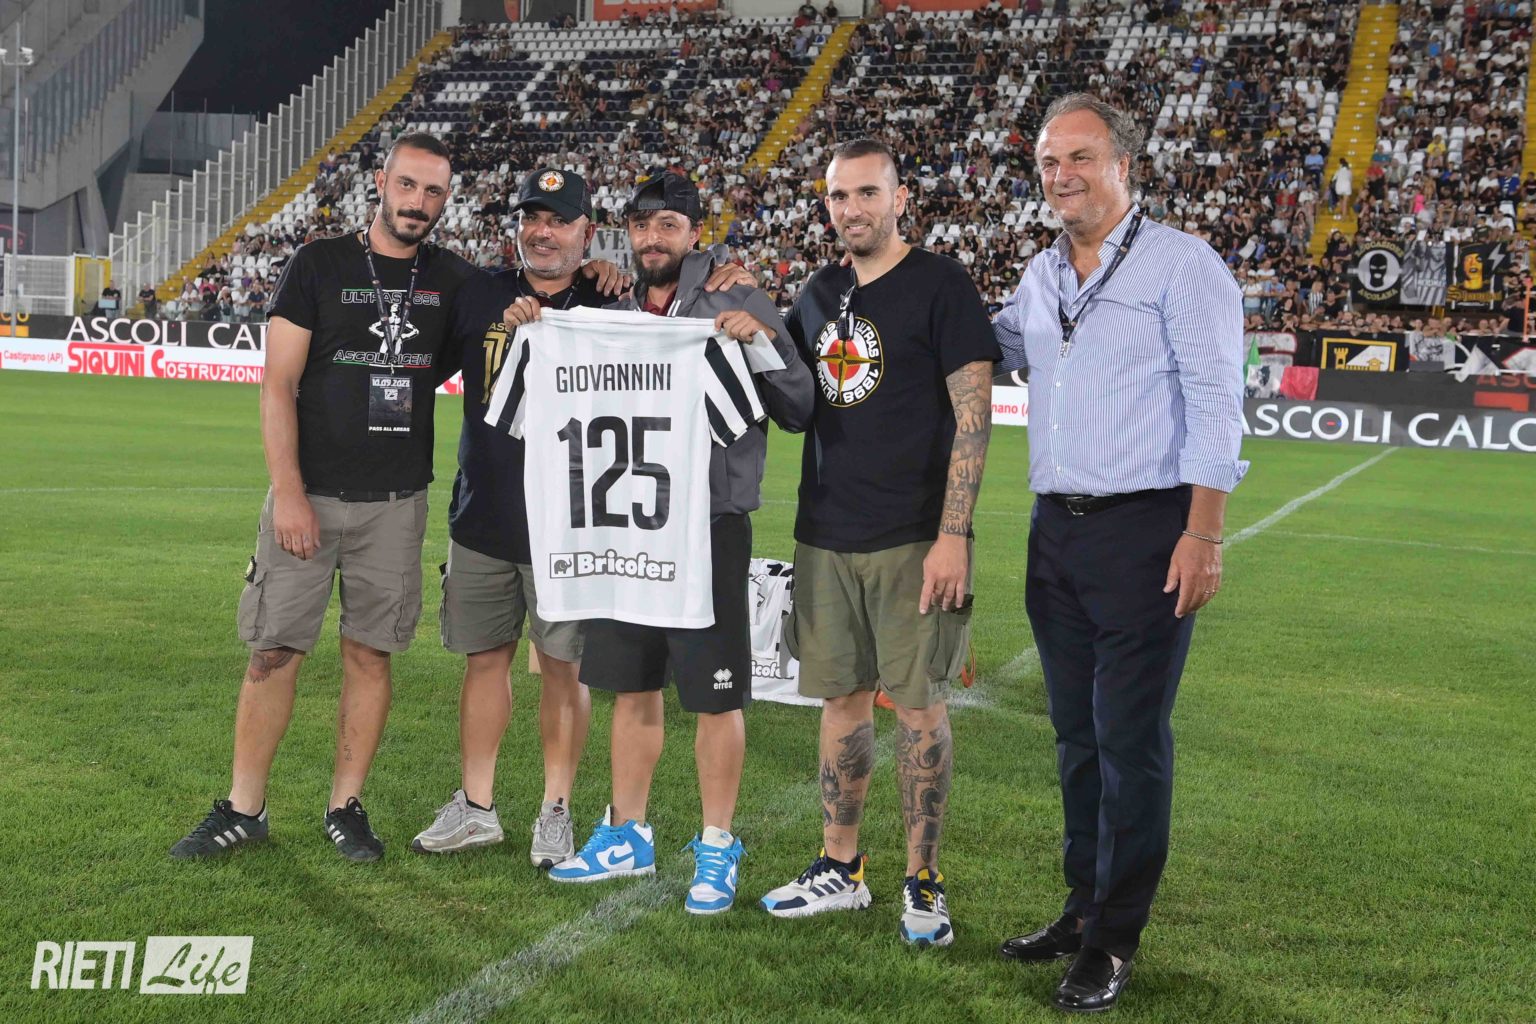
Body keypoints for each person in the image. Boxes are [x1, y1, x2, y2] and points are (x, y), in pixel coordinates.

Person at [413, 167, 755, 865]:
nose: (542, 232)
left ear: (586, 233)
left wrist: (729, 278)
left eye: (559, 220)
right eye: (532, 218)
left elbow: (695, 351)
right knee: (483, 662)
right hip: (482, 516)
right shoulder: (483, 293)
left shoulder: (612, 302)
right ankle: (476, 805)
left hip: (574, 526)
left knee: (564, 670)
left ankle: (557, 810)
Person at [990, 94, 1246, 1013]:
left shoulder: (1184, 265)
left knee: (1129, 739)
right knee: (1074, 736)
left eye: (1080, 158)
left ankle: (1114, 938)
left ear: (1123, 166)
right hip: (1054, 530)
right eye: (1048, 162)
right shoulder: (1039, 272)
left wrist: (1203, 532)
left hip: (1148, 527)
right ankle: (1081, 908)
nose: (1061, 176)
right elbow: (991, 343)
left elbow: (1217, 404)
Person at [170, 132, 477, 862]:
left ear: (446, 200)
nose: (418, 202)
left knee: (371, 656)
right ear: (381, 182)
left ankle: (345, 806)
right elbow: (277, 385)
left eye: (434, 191)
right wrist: (288, 494)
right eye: (408, 185)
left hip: (395, 503)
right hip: (307, 496)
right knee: (273, 651)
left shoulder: (454, 279)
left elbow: (533, 296)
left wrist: (599, 273)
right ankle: (244, 807)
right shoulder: (319, 263)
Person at [538, 171, 814, 915]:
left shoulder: (734, 296)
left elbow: (798, 406)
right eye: (641, 225)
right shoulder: (615, 309)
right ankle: (626, 833)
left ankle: (717, 844)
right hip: (628, 526)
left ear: (695, 232)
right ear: (626, 233)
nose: (652, 238)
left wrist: (761, 341)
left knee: (715, 696)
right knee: (631, 686)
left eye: (668, 224)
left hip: (708, 527)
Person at [758, 139, 1000, 949]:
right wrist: (746, 311)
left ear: (900, 199)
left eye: (867, 193)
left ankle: (923, 881)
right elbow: (793, 396)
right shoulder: (818, 292)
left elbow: (973, 417)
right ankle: (841, 868)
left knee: (920, 708)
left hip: (913, 538)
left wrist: (954, 533)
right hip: (825, 532)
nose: (851, 209)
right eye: (838, 195)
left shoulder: (941, 284)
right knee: (839, 702)